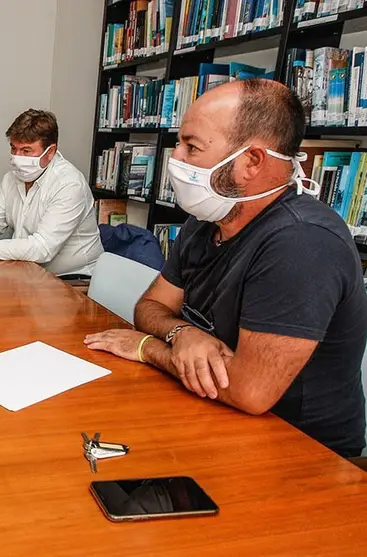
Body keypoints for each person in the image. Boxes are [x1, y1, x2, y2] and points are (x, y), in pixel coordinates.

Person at [85, 80, 367, 457]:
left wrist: (149, 348)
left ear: (251, 162)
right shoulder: (208, 219)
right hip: (211, 413)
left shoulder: (302, 243)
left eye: (192, 147)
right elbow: (149, 307)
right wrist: (183, 333)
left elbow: (248, 391)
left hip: (297, 453)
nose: (176, 160)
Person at [0, 109, 103, 276]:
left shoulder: (69, 185)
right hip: (27, 271)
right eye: (13, 148)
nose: (17, 158)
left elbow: (42, 248)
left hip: (72, 279)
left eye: (26, 151)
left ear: (50, 152)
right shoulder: (11, 178)